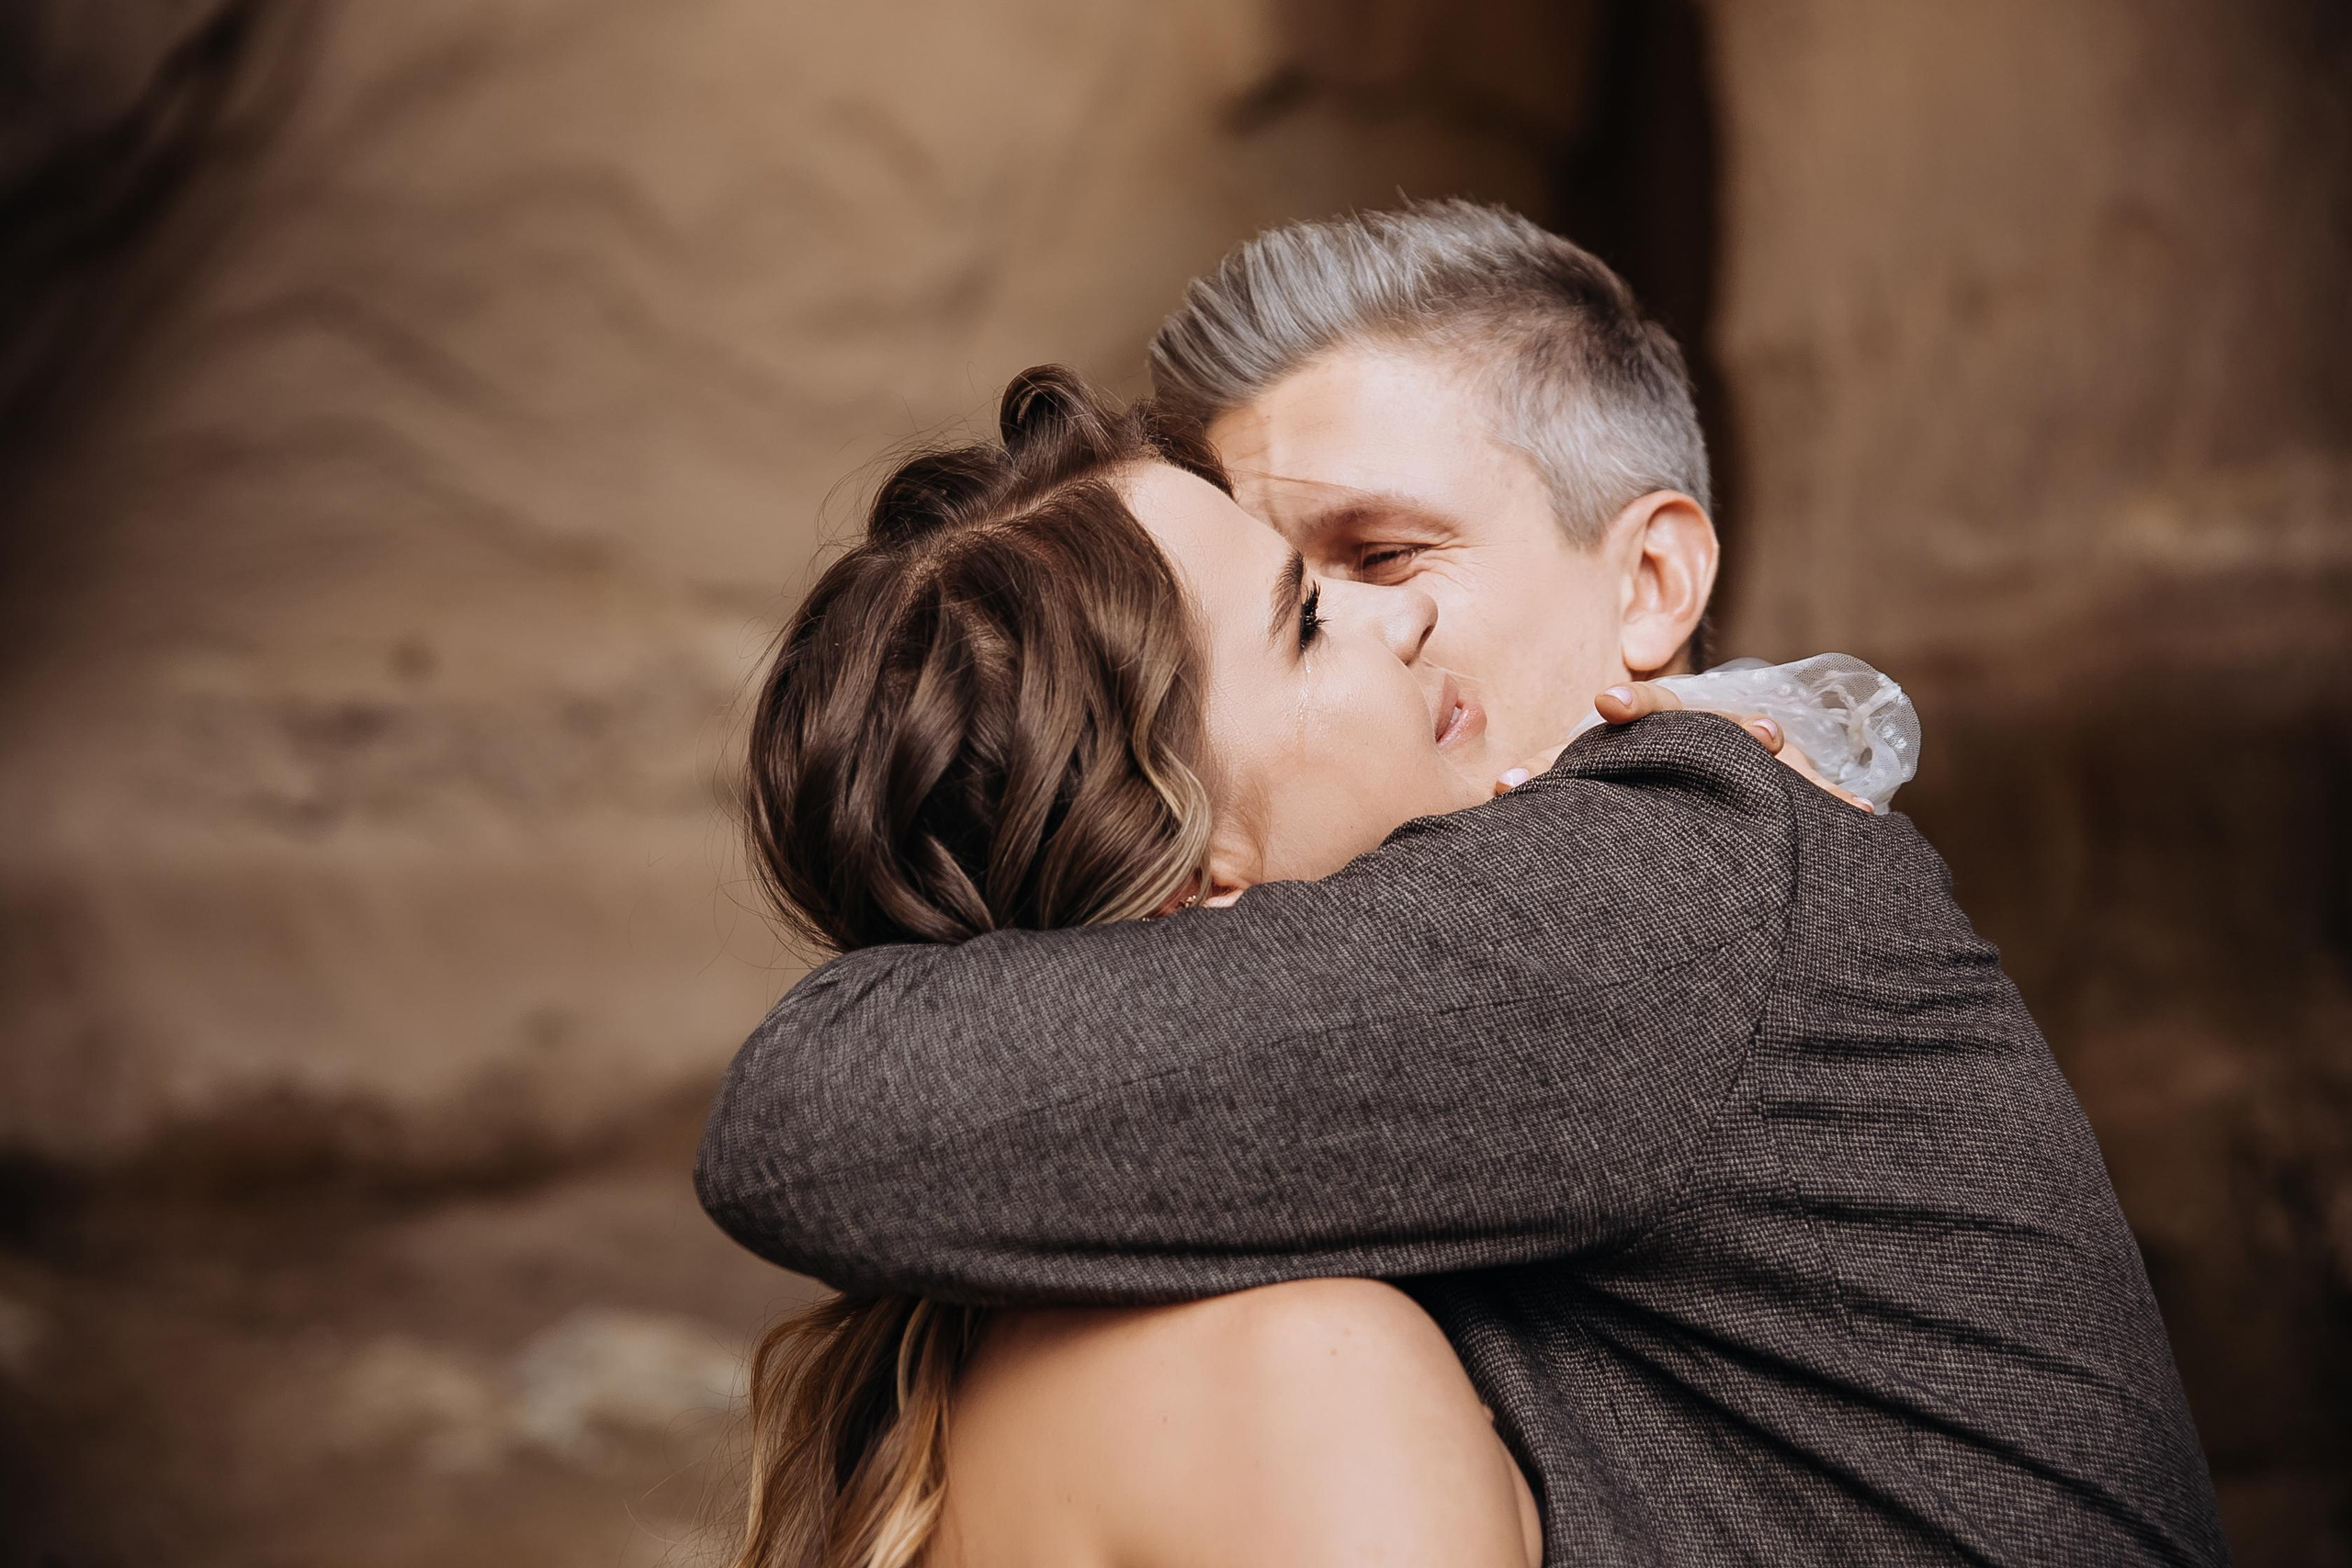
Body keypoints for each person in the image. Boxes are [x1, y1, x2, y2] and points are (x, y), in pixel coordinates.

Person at [705, 204, 2228, 1566]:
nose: (1391, 632)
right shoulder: (1240, 1253)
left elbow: (801, 1116)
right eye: (1299, 604)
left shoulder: (1660, 878)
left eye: (1382, 553)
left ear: (1649, 589)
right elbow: (808, 1123)